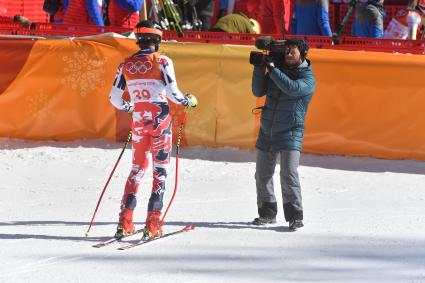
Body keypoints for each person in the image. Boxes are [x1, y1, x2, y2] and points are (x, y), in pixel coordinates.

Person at [108, 20, 198, 240]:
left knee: (137, 169)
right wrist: (188, 100)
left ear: (138, 40)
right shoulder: (163, 61)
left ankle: (125, 222)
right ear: (157, 40)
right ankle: (153, 224)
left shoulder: (125, 65)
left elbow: (114, 98)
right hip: (160, 121)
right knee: (160, 172)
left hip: (139, 121)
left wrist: (130, 107)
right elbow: (172, 93)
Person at [251, 38, 315, 231]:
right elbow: (257, 90)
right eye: (286, 51)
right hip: (267, 130)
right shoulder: (276, 70)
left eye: (292, 51)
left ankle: (295, 216)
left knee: (289, 174)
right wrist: (259, 67)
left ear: (302, 54)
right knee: (262, 175)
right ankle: (267, 213)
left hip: (291, 132)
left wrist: (272, 69)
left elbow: (291, 88)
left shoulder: (308, 78)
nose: (287, 54)